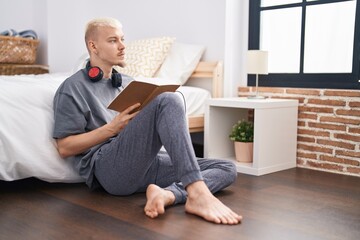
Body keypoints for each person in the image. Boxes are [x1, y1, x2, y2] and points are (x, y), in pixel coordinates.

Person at [53, 17, 242, 225]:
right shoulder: (72, 88)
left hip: (149, 163)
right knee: (168, 99)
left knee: (227, 168)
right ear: (93, 46)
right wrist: (111, 129)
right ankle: (198, 194)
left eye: (123, 39)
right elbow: (64, 147)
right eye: (113, 40)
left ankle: (168, 195)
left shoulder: (128, 83)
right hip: (110, 169)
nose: (123, 46)